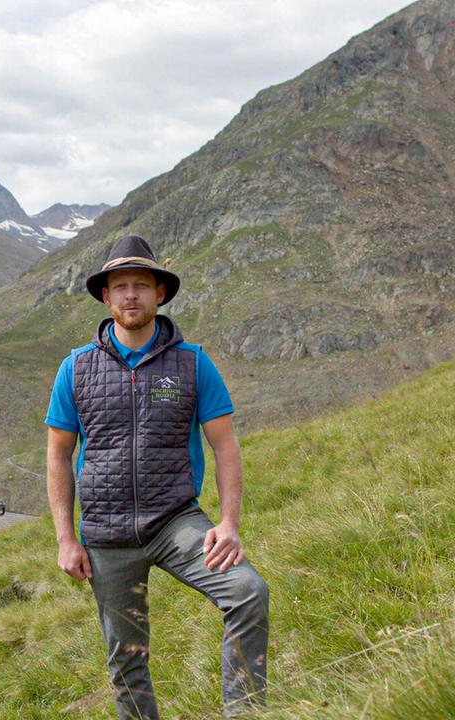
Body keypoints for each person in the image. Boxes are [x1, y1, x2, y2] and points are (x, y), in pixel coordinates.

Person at [45, 235, 270, 720]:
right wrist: (66, 539)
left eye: (141, 285)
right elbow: (58, 456)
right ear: (106, 297)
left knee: (247, 592)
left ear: (159, 294)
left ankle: (245, 713)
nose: (131, 295)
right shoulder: (75, 369)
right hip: (105, 537)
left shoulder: (192, 363)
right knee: (127, 662)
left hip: (176, 523)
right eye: (120, 286)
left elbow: (225, 445)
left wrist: (228, 522)